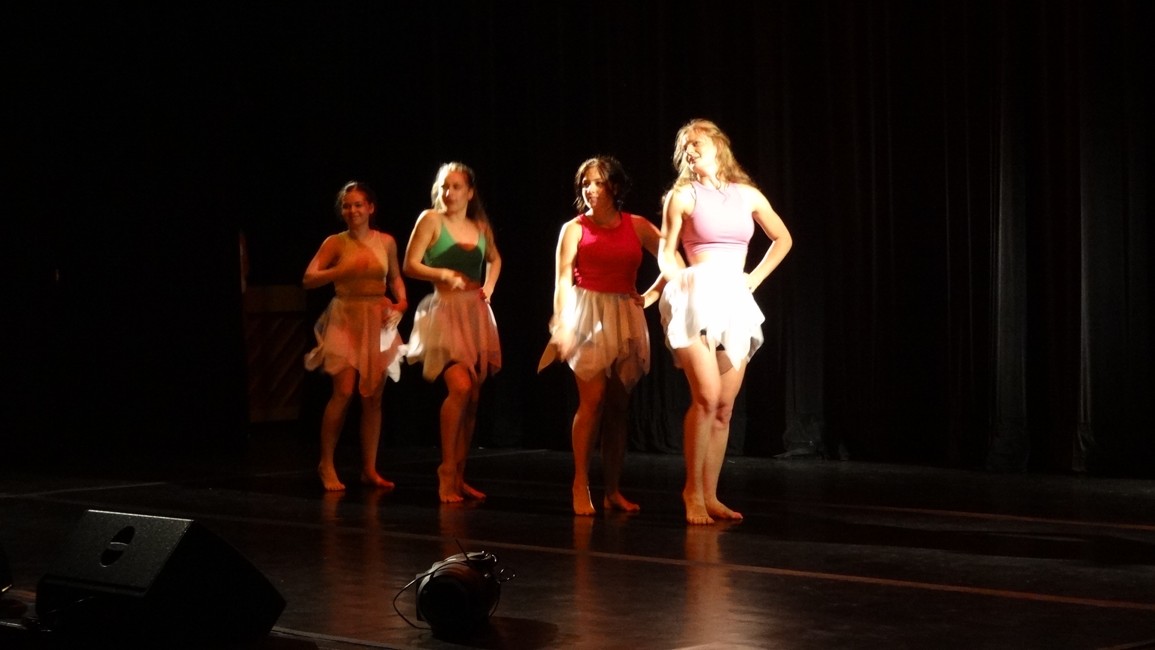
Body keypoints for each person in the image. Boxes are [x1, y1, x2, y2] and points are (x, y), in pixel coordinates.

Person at [658, 119, 793, 525]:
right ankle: (691, 493)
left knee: (724, 407)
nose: (689, 150)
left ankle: (711, 494)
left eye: (696, 142)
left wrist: (754, 279)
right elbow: (666, 251)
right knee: (706, 396)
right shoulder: (682, 196)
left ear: (718, 145)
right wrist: (682, 279)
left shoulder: (746, 194)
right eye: (684, 145)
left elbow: (783, 238)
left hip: (734, 299)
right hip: (696, 296)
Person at [544, 155, 671, 516]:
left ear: (614, 186)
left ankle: (612, 490)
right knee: (593, 399)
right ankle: (580, 483)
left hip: (624, 313)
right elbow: (562, 281)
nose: (590, 189)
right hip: (587, 313)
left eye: (598, 182)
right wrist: (561, 321)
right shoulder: (574, 228)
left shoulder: (637, 225)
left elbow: (672, 259)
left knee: (618, 405)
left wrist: (652, 294)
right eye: (585, 183)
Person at [403, 162, 502, 503]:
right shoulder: (431, 220)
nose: (449, 192)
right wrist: (443, 274)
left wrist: (489, 286)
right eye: (445, 186)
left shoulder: (480, 226)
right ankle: (446, 470)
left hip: (474, 314)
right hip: (444, 313)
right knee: (460, 387)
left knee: (473, 397)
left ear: (470, 192)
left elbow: (495, 259)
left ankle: (460, 474)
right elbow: (410, 264)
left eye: (457, 186)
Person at [303, 181, 408, 492]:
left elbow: (395, 278)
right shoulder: (336, 243)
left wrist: (402, 303)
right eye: (347, 206)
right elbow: (309, 278)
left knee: (373, 397)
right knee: (344, 391)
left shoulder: (386, 241)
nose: (352, 210)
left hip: (376, 318)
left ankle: (369, 469)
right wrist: (342, 270)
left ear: (370, 208)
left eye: (358, 204)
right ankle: (326, 463)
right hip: (346, 316)